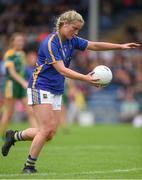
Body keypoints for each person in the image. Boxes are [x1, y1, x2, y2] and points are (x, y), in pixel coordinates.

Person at [1, 10, 140, 174]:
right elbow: (62, 70)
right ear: (64, 24)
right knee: (45, 129)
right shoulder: (50, 42)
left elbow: (93, 45)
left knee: (50, 133)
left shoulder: (71, 40)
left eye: (78, 30)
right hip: (41, 86)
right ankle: (29, 166)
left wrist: (120, 46)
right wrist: (86, 79)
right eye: (74, 29)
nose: (76, 33)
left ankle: (14, 136)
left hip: (56, 88)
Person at [0, 33, 38, 137]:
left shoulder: (22, 54)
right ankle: (2, 135)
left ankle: (38, 135)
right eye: (18, 41)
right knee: (9, 112)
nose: (20, 43)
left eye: (21, 41)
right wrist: (23, 82)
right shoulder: (9, 54)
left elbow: (23, 70)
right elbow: (12, 72)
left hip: (21, 86)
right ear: (12, 42)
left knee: (30, 111)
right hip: (11, 85)